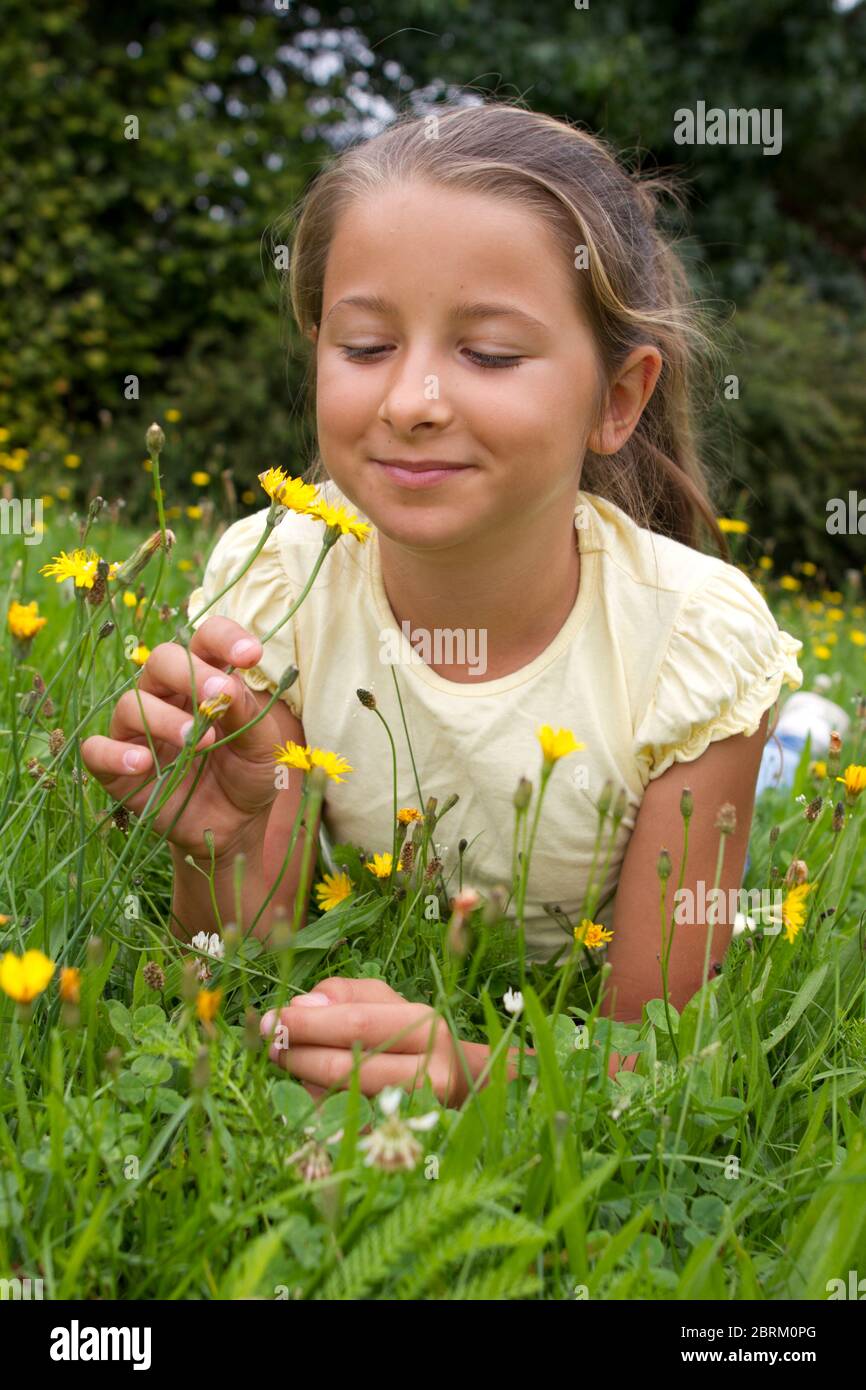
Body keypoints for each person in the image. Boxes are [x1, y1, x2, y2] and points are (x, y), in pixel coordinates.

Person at [81, 100, 803, 1105]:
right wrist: (222, 841)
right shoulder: (280, 584)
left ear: (617, 399)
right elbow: (244, 958)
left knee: (788, 754)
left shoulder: (696, 647)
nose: (410, 399)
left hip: (683, 706)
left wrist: (468, 1070)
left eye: (491, 355)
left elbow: (660, 1060)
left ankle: (791, 745)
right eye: (365, 346)